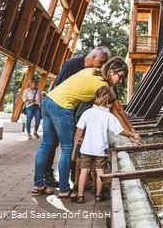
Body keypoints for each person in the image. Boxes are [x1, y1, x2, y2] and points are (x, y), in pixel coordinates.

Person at [31, 56, 129, 198]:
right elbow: (117, 111)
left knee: (46, 145)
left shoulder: (92, 71)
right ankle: (64, 189)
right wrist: (131, 131)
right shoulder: (103, 86)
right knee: (67, 148)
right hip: (62, 106)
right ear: (112, 71)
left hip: (49, 101)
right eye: (120, 77)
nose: (120, 81)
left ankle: (38, 183)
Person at [43, 46, 112, 187]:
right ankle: (50, 177)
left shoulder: (93, 72)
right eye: (102, 61)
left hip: (71, 109)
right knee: (57, 145)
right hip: (62, 107)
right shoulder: (72, 64)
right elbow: (58, 86)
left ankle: (73, 178)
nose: (103, 65)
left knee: (72, 146)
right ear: (93, 57)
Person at [72, 86, 141, 203]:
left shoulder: (87, 112)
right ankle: (99, 195)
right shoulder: (109, 116)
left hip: (86, 148)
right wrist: (132, 135)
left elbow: (79, 128)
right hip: (101, 149)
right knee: (100, 171)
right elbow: (119, 131)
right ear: (108, 102)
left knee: (84, 170)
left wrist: (80, 138)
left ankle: (80, 195)